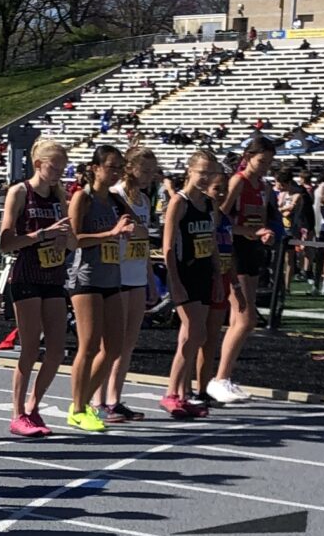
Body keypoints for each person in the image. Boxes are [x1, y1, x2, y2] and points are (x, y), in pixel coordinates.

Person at [1, 136, 76, 434]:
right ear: (38, 164)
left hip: (54, 275)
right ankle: (18, 412)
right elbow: (6, 242)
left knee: (57, 349)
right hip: (27, 274)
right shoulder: (20, 192)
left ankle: (34, 405)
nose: (59, 172)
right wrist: (41, 235)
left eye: (63, 167)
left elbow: (73, 242)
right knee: (30, 347)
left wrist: (65, 237)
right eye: (54, 166)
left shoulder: (60, 197)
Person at [64, 143, 134, 432]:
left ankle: (81, 402)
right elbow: (73, 239)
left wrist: (130, 230)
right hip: (86, 277)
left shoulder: (116, 200)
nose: (116, 172)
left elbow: (137, 224)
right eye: (111, 166)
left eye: (120, 167)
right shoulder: (83, 197)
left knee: (114, 346)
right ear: (94, 168)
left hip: (111, 276)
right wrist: (111, 233)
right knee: (90, 344)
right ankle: (78, 408)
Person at [207, 136, 278, 404]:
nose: (265, 167)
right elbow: (220, 219)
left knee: (241, 320)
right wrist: (249, 231)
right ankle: (220, 377)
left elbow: (257, 219)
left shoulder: (263, 186)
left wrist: (262, 233)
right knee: (246, 318)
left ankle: (224, 377)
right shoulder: (238, 181)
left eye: (270, 163)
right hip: (234, 250)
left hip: (252, 250)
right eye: (262, 161)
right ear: (248, 157)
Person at [159, 150, 222, 420]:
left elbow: (213, 243)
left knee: (192, 335)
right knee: (195, 333)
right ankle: (172, 393)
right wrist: (174, 281)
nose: (205, 177)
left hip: (204, 273)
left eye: (210, 173)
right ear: (190, 171)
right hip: (184, 273)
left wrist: (218, 277)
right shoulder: (179, 202)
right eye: (201, 172)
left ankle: (183, 394)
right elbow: (168, 246)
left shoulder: (210, 204)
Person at [100, 143, 161, 419]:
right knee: (110, 342)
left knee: (128, 342)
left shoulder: (145, 201)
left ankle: (115, 398)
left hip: (136, 274)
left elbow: (144, 243)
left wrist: (150, 278)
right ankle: (97, 398)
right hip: (116, 273)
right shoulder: (116, 195)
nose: (149, 175)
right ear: (130, 168)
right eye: (145, 170)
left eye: (153, 171)